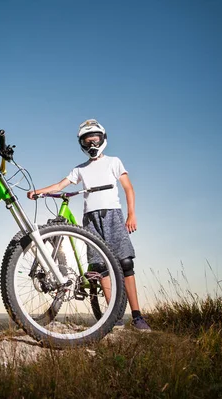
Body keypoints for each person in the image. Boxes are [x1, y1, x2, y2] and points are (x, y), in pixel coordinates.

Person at [27, 119, 151, 331]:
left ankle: (137, 316)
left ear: (102, 139)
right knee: (100, 267)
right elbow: (60, 185)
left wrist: (131, 215)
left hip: (113, 215)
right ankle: (114, 316)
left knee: (126, 263)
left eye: (95, 140)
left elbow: (129, 188)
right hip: (91, 219)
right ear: (82, 145)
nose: (92, 145)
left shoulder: (114, 162)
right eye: (87, 142)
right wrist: (40, 191)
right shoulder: (80, 169)